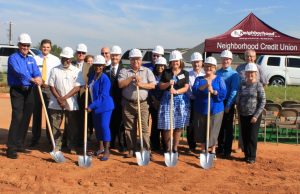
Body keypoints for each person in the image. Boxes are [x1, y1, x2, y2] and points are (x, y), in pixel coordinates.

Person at [6, 33, 42, 159]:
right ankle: (11, 148)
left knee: (26, 116)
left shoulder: (31, 59)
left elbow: (37, 72)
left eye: (27, 45)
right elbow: (19, 73)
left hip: (30, 91)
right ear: (19, 45)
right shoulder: (13, 58)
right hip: (18, 91)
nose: (25, 47)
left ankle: (19, 143)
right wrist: (32, 79)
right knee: (17, 117)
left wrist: (39, 78)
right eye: (23, 45)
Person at [118, 48, 156, 158]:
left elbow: (153, 85)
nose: (136, 62)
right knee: (129, 128)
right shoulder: (124, 71)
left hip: (143, 103)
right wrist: (132, 78)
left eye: (138, 60)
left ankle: (146, 150)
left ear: (141, 60)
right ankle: (131, 149)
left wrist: (141, 84)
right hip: (128, 103)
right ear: (130, 60)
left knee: (144, 128)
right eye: (133, 60)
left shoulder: (147, 71)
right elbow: (121, 84)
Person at [48, 47, 84, 154]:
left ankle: (71, 145)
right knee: (55, 125)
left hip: (71, 103)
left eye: (68, 58)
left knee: (72, 126)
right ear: (61, 58)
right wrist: (59, 98)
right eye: (64, 58)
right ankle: (57, 146)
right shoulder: (54, 70)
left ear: (71, 59)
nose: (66, 60)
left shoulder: (77, 71)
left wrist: (64, 98)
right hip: (55, 102)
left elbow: (77, 87)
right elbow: (51, 85)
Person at [192, 57, 227, 159]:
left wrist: (214, 91)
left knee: (213, 130)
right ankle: (203, 150)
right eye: (207, 66)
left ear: (215, 68)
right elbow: (195, 91)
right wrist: (205, 86)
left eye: (211, 67)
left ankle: (212, 151)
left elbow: (223, 94)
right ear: (204, 67)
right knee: (201, 129)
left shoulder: (219, 79)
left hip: (216, 110)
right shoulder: (199, 79)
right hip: (200, 109)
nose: (209, 69)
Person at [235, 49, 268, 153]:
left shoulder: (259, 68)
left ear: (255, 57)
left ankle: (250, 150)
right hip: (242, 101)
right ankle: (241, 146)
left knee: (252, 130)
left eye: (251, 56)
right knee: (242, 126)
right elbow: (237, 84)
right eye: (247, 56)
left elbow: (265, 82)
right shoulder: (239, 68)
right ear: (244, 57)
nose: (249, 58)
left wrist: (258, 93)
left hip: (254, 102)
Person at [158, 50, 190, 153]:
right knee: (167, 125)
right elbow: (161, 86)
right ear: (170, 62)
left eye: (177, 61)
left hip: (180, 100)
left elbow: (186, 88)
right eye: (173, 61)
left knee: (178, 126)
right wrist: (168, 84)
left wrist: (176, 91)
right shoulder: (166, 72)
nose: (175, 63)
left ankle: (175, 148)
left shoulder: (185, 73)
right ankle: (168, 148)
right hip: (167, 100)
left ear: (180, 61)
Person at [31, 39, 60, 147]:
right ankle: (35, 138)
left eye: (48, 47)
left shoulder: (56, 60)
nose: (46, 49)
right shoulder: (34, 59)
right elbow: (31, 72)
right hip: (36, 88)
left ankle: (50, 139)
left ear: (50, 48)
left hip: (49, 89)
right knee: (36, 113)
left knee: (50, 114)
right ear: (41, 47)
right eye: (44, 47)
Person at [87, 55, 114, 161]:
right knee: (97, 127)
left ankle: (107, 150)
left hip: (105, 107)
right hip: (96, 107)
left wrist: (91, 106)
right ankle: (100, 148)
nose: (98, 67)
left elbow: (103, 96)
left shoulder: (105, 79)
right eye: (96, 65)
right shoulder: (92, 76)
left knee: (104, 126)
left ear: (103, 66)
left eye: (100, 65)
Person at [216, 50, 240, 158]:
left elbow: (234, 91)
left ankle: (227, 150)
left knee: (228, 128)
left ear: (231, 61)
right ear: (221, 60)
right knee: (219, 127)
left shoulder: (234, 74)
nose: (225, 61)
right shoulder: (217, 72)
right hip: (217, 102)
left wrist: (228, 105)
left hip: (227, 103)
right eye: (224, 59)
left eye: (227, 59)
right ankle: (220, 148)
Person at [104, 45, 126, 152]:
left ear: (120, 57)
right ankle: (111, 143)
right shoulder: (105, 69)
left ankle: (121, 144)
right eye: (113, 55)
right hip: (108, 100)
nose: (114, 58)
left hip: (120, 100)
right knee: (110, 122)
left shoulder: (124, 70)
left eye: (117, 55)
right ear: (110, 56)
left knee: (121, 123)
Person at [186, 52, 204, 153]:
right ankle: (191, 146)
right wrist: (193, 97)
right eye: (194, 62)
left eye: (198, 62)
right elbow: (187, 89)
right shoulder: (188, 74)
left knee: (202, 123)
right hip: (192, 102)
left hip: (202, 102)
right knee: (191, 124)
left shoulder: (205, 75)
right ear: (192, 63)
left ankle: (202, 145)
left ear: (201, 63)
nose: (196, 64)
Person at [148, 56, 167, 151]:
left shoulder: (167, 76)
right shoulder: (152, 75)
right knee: (155, 124)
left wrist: (162, 102)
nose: (160, 67)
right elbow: (149, 89)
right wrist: (154, 101)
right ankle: (155, 144)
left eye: (162, 66)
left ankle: (165, 144)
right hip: (154, 103)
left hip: (164, 104)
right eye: (158, 66)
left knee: (164, 124)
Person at [74, 43, 88, 147]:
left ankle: (81, 141)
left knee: (83, 119)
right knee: (71, 118)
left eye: (83, 53)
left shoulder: (90, 67)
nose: (81, 54)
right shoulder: (71, 64)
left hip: (84, 96)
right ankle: (69, 140)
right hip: (72, 95)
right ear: (76, 53)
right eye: (79, 52)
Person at [83, 55, 94, 140]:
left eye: (91, 61)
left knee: (92, 117)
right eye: (88, 61)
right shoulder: (85, 70)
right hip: (85, 96)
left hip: (93, 97)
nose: (90, 63)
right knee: (86, 116)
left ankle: (91, 132)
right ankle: (86, 133)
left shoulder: (94, 70)